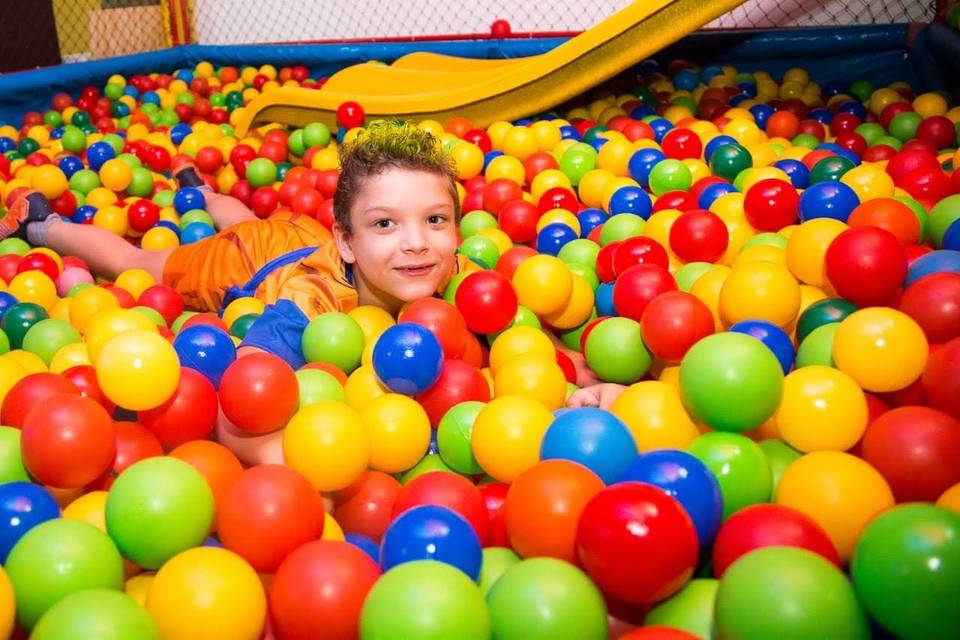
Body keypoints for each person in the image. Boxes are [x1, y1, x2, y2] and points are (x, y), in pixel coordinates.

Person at [1, 121, 596, 383]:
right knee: (141, 264)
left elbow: (529, 349)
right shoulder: (310, 301)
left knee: (254, 215)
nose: (417, 242)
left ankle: (196, 189)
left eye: (435, 220)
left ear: (457, 231)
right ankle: (43, 225)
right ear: (351, 241)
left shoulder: (458, 275)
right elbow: (253, 380)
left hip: (295, 232)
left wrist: (575, 379)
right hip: (253, 261)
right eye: (386, 223)